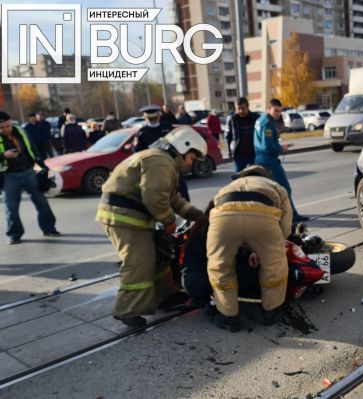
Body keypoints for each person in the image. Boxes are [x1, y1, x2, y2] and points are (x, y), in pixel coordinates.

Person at [96, 126, 207, 327]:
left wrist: (201, 217)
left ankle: (165, 297)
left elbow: (174, 200)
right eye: (192, 158)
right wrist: (168, 221)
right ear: (183, 148)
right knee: (138, 262)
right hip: (124, 217)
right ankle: (126, 310)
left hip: (128, 216)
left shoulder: (163, 162)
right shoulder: (160, 162)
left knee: (159, 258)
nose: (191, 164)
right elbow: (154, 197)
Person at [206, 165, 292, 332]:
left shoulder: (227, 187)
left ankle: (229, 317)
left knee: (220, 267)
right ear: (265, 175)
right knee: (274, 267)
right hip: (263, 218)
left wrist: (244, 245)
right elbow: (286, 224)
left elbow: (219, 207)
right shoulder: (275, 186)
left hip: (223, 218)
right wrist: (274, 245)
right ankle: (271, 312)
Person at [0, 111, 60, 245]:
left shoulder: (21, 131)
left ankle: (49, 228)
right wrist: (4, 155)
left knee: (41, 201)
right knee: (11, 208)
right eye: (1, 128)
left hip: (29, 171)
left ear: (10, 122)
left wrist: (42, 166)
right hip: (9, 176)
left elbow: (31, 148)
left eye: (7, 126)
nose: (5, 129)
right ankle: (14, 234)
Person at [254, 99, 308, 222]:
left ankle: (276, 215)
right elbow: (267, 147)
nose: (278, 113)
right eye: (275, 110)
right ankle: (292, 216)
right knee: (284, 188)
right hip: (268, 160)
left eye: (280, 111)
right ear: (269, 109)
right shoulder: (267, 123)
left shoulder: (261, 120)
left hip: (261, 159)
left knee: (270, 190)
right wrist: (281, 148)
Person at [226, 97, 260, 173]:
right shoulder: (232, 119)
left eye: (243, 108)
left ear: (248, 107)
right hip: (239, 156)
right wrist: (230, 152)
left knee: (255, 177)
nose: (241, 111)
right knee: (238, 178)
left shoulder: (256, 117)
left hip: (253, 154)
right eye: (238, 109)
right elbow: (228, 137)